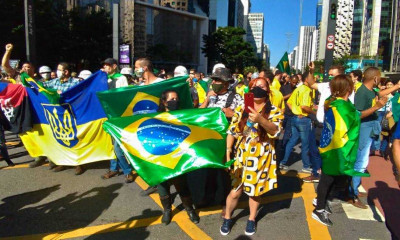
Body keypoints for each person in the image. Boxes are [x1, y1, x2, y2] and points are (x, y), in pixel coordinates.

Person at [220, 77, 283, 236]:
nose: (257, 88)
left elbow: (276, 132)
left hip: (261, 157)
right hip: (241, 156)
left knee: (255, 192)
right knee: (235, 191)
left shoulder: (274, 110)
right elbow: (232, 132)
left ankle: (251, 219)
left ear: (268, 90)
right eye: (254, 86)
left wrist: (261, 119)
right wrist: (228, 154)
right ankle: (227, 217)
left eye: (262, 86)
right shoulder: (242, 108)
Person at [349, 67, 399, 208]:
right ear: (375, 79)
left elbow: (381, 93)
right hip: (364, 130)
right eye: (379, 78)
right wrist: (376, 107)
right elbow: (358, 115)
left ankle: (355, 188)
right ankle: (351, 193)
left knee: (363, 162)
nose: (381, 81)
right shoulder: (362, 93)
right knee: (360, 162)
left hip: (370, 130)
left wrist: (396, 86)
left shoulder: (371, 91)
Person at [312, 75, 358, 226]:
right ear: (349, 89)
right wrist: (376, 107)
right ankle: (318, 209)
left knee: (333, 178)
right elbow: (345, 126)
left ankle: (321, 201)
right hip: (336, 148)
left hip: (332, 146)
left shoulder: (332, 102)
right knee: (328, 179)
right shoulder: (339, 106)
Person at [156, 90, 200, 225]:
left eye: (176, 98)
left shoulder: (183, 116)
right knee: (162, 185)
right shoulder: (156, 117)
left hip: (178, 156)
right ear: (164, 102)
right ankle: (167, 210)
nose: (175, 101)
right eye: (171, 99)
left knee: (182, 185)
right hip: (161, 156)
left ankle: (190, 210)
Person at [42, 62, 82, 174]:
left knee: (75, 139)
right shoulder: (54, 82)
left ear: (66, 72)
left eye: (60, 70)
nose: (57, 71)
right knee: (61, 139)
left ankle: (78, 164)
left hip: (72, 115)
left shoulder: (76, 82)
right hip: (58, 116)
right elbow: (41, 87)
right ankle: (63, 163)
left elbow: (83, 92)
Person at [100, 58, 135, 183]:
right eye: (104, 66)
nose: (105, 68)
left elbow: (123, 96)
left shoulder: (121, 78)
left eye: (108, 65)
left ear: (114, 66)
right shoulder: (104, 79)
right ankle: (113, 168)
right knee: (111, 146)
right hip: (108, 115)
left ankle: (127, 171)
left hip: (118, 117)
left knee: (117, 147)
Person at [279, 71, 316, 173]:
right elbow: (304, 106)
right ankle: (306, 165)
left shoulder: (298, 89)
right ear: (306, 80)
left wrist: (295, 111)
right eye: (311, 78)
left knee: (292, 140)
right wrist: (314, 113)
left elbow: (289, 103)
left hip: (295, 118)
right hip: (303, 119)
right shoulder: (307, 90)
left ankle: (283, 162)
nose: (314, 80)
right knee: (305, 143)